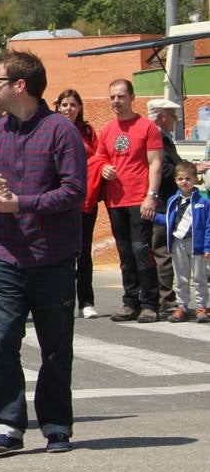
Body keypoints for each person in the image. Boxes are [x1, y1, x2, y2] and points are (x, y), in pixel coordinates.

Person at [0, 50, 85, 455]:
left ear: (20, 86)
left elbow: (74, 191)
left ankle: (56, 426)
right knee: (0, 340)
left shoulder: (60, 131)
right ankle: (9, 424)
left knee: (55, 348)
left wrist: (22, 203)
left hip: (52, 257)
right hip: (5, 255)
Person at [92, 79, 162, 323]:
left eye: (120, 97)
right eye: (112, 97)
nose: (116, 102)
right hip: (115, 202)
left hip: (139, 200)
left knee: (141, 250)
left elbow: (155, 163)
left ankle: (150, 303)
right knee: (124, 253)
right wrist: (104, 168)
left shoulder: (147, 127)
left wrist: (151, 196)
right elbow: (99, 157)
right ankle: (130, 301)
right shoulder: (108, 130)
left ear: (132, 97)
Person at [54, 89, 102, 319]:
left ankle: (86, 301)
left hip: (84, 203)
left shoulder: (88, 132)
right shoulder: (50, 129)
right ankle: (61, 301)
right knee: (60, 254)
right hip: (57, 203)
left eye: (73, 105)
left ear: (79, 108)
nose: (68, 109)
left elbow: (97, 159)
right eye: (64, 104)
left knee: (83, 253)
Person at [154, 161, 209, 323]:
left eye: (188, 178)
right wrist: (153, 217)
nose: (184, 182)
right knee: (181, 277)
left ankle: (201, 306)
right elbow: (169, 221)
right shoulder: (173, 200)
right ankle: (182, 306)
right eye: (180, 179)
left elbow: (208, 225)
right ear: (176, 180)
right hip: (178, 242)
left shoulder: (203, 202)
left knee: (199, 277)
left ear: (195, 180)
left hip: (196, 244)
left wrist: (207, 246)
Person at [147, 97, 185, 314]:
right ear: (161, 117)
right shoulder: (158, 139)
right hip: (161, 204)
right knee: (163, 252)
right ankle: (166, 299)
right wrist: (187, 171)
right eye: (172, 115)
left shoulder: (164, 137)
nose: (176, 119)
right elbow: (165, 170)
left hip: (165, 204)